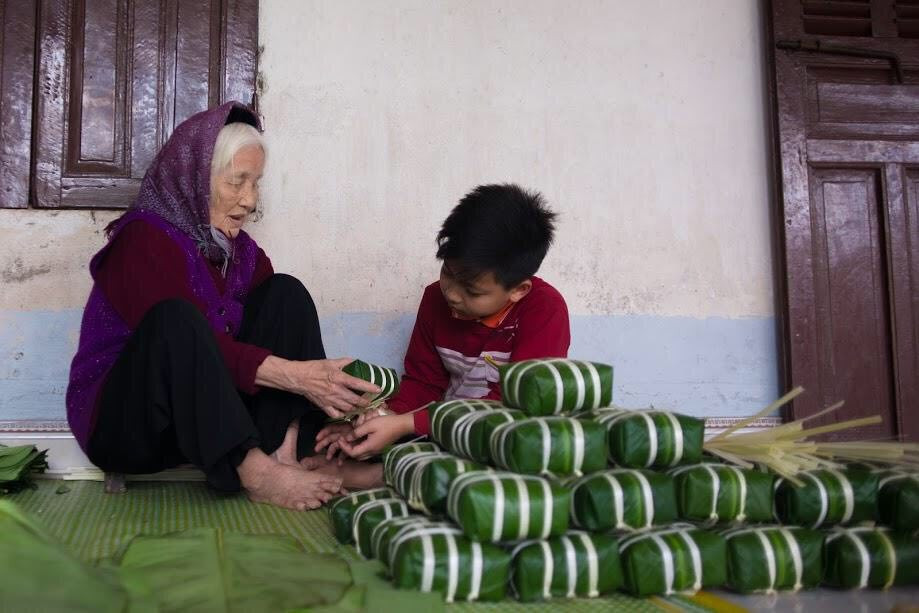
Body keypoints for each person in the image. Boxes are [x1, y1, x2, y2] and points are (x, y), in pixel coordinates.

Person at [66, 102, 382, 511]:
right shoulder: (142, 241)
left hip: (198, 430)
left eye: (256, 183)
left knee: (286, 294)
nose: (249, 200)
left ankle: (288, 451)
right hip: (127, 428)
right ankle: (255, 471)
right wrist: (296, 376)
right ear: (197, 180)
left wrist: (346, 406)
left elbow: (278, 328)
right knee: (175, 321)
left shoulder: (240, 254)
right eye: (237, 182)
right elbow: (187, 345)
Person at [315, 184, 570, 462]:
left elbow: (516, 404)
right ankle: (376, 469)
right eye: (447, 273)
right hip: (447, 429)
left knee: (520, 443)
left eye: (472, 292)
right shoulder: (436, 298)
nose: (452, 294)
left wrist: (405, 424)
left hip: (507, 429)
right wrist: (379, 419)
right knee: (380, 439)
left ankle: (372, 477)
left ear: (518, 290)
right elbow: (424, 384)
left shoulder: (545, 310)